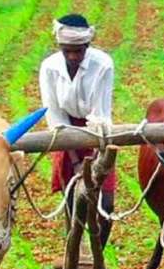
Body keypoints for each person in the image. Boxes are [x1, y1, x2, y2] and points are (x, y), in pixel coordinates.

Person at [39, 13, 116, 247]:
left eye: (78, 51)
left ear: (87, 45)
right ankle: (74, 250)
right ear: (60, 47)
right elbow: (55, 115)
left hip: (97, 134)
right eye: (67, 51)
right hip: (66, 134)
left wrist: (96, 162)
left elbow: (100, 113)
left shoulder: (103, 64)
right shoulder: (50, 68)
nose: (73, 56)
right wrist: (73, 160)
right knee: (74, 199)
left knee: (106, 204)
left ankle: (97, 254)